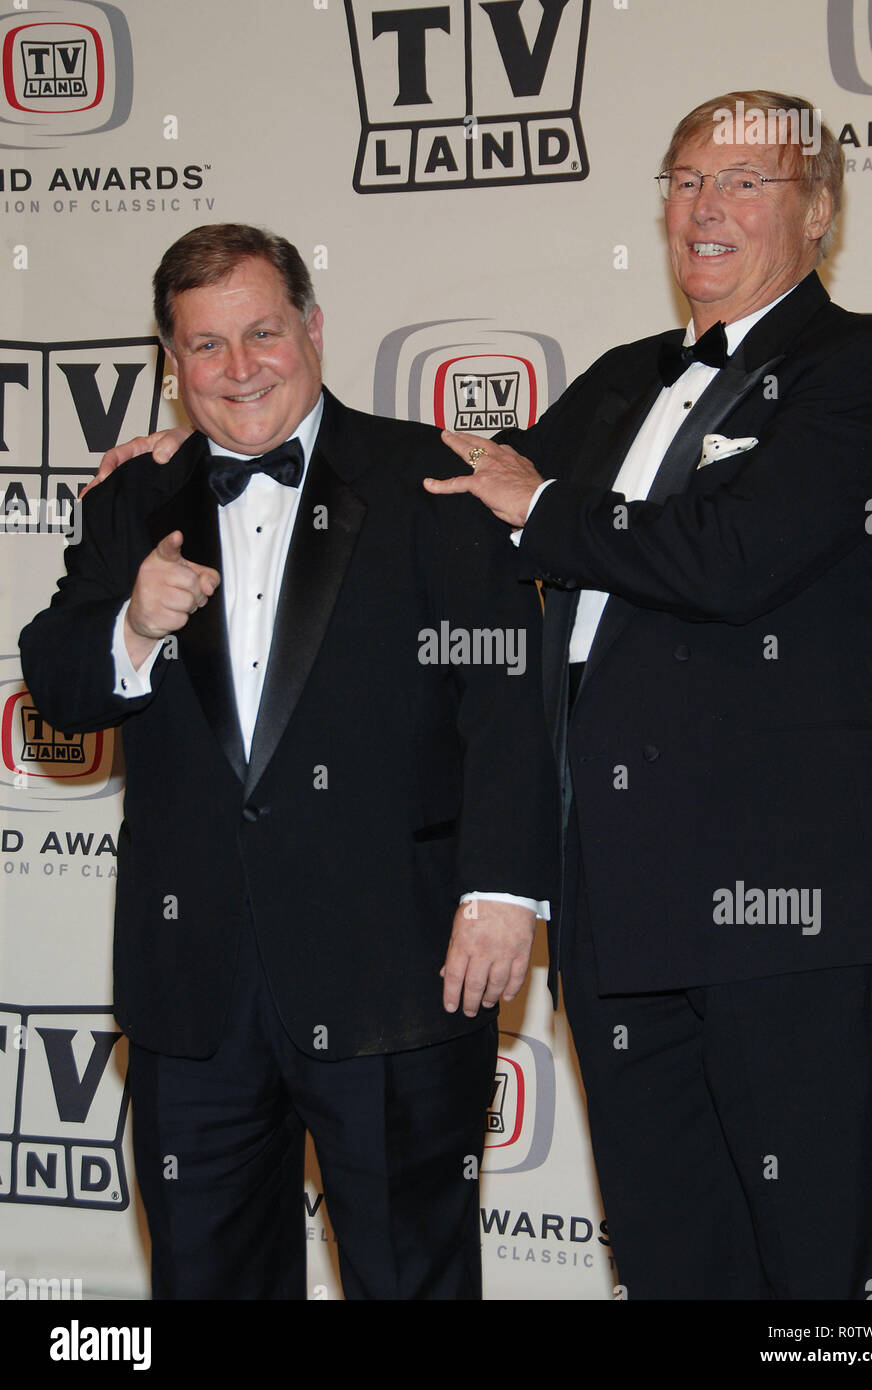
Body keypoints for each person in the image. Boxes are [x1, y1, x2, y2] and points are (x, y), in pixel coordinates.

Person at [424, 91, 872, 1299]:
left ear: (818, 212)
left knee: (812, 1252)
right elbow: (456, 500)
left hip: (782, 892)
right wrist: (211, 457)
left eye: (746, 183)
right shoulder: (618, 380)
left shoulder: (861, 362)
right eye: (689, 178)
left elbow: (732, 558)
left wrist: (543, 509)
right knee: (669, 1249)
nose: (706, 207)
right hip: (612, 885)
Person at [19, 223, 555, 1301]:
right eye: (205, 346)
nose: (239, 366)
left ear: (312, 328)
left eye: (262, 332)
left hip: (396, 974)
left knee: (412, 1276)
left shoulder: (434, 479)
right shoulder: (136, 499)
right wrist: (129, 626)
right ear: (174, 364)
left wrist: (500, 890)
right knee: (207, 1278)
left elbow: (510, 695)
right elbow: (57, 681)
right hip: (195, 988)